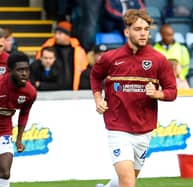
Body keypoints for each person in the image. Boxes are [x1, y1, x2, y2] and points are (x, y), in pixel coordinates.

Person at [90, 9, 177, 187]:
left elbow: (172, 91)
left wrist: (157, 94)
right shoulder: (110, 58)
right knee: (129, 182)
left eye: (146, 29)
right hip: (118, 128)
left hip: (144, 130)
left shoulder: (159, 60)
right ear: (127, 32)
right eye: (138, 29)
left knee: (127, 179)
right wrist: (98, 98)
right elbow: (95, 76)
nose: (143, 33)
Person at [0, 52, 37, 187]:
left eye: (26, 70)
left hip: (4, 130)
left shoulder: (30, 92)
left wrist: (19, 139)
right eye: (20, 70)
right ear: (10, 71)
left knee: (5, 171)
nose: (24, 74)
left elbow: (24, 113)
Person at [35, 21, 88, 90]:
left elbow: (84, 69)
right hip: (50, 90)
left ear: (67, 35)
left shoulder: (79, 51)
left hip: (73, 91)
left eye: (60, 34)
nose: (56, 36)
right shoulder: (47, 48)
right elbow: (37, 65)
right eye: (56, 33)